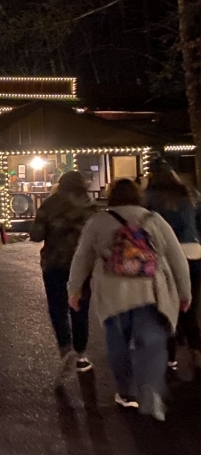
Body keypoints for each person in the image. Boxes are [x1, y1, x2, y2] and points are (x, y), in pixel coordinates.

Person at [68, 179, 191, 419]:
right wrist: (184, 293)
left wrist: (74, 290)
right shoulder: (154, 219)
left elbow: (81, 257)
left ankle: (125, 393)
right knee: (152, 342)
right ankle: (150, 388)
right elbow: (177, 258)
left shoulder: (98, 221)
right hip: (151, 292)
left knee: (118, 344)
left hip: (114, 295)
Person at [30, 171, 99, 382]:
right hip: (82, 266)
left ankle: (65, 346)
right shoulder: (90, 207)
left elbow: (36, 234)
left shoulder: (50, 204)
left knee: (57, 306)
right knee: (80, 307)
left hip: (54, 262)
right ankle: (80, 354)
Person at [145, 165, 201, 373]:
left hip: (166, 255)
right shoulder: (191, 194)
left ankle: (170, 358)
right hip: (194, 251)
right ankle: (196, 351)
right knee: (190, 305)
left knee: (166, 306)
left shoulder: (151, 198)